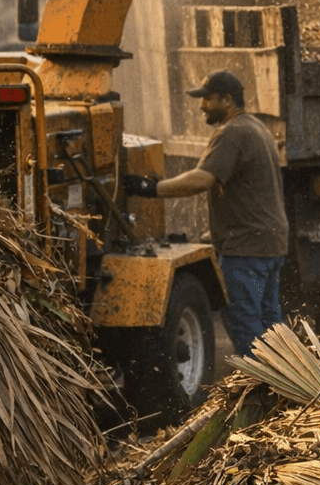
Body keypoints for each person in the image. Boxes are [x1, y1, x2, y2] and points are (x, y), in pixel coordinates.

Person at [124, 69, 289, 357]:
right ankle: (288, 383)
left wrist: (151, 189)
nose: (201, 105)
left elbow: (202, 179)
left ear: (227, 100)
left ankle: (263, 384)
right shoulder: (257, 127)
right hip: (269, 242)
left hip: (246, 248)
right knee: (269, 323)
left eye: (207, 99)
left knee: (244, 321)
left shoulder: (232, 133)